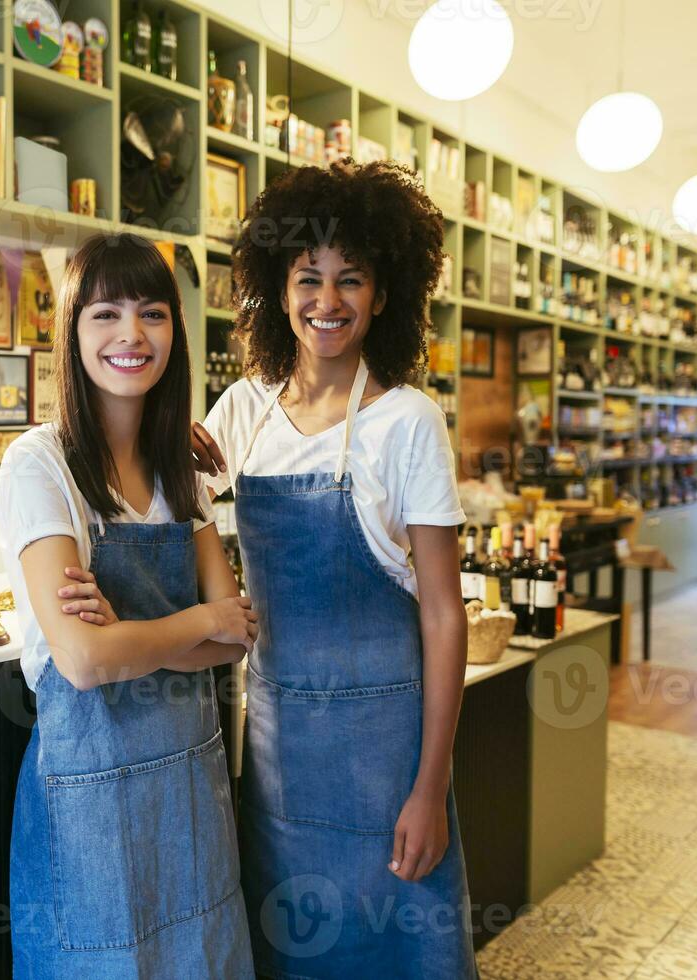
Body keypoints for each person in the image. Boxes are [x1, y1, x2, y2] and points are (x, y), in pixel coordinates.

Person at [192, 160, 477, 978]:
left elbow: (442, 614)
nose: (328, 300)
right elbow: (172, 508)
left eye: (350, 279)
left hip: (389, 763)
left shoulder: (408, 422)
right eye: (308, 278)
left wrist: (431, 787)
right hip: (282, 759)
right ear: (278, 291)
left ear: (384, 295)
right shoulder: (245, 410)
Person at [0, 232, 257, 979]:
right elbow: (82, 660)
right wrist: (196, 624)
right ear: (71, 331)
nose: (130, 335)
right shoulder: (38, 465)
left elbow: (237, 635)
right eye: (104, 314)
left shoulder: (182, 472)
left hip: (191, 791)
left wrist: (135, 635)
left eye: (151, 313)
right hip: (91, 805)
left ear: (176, 328)